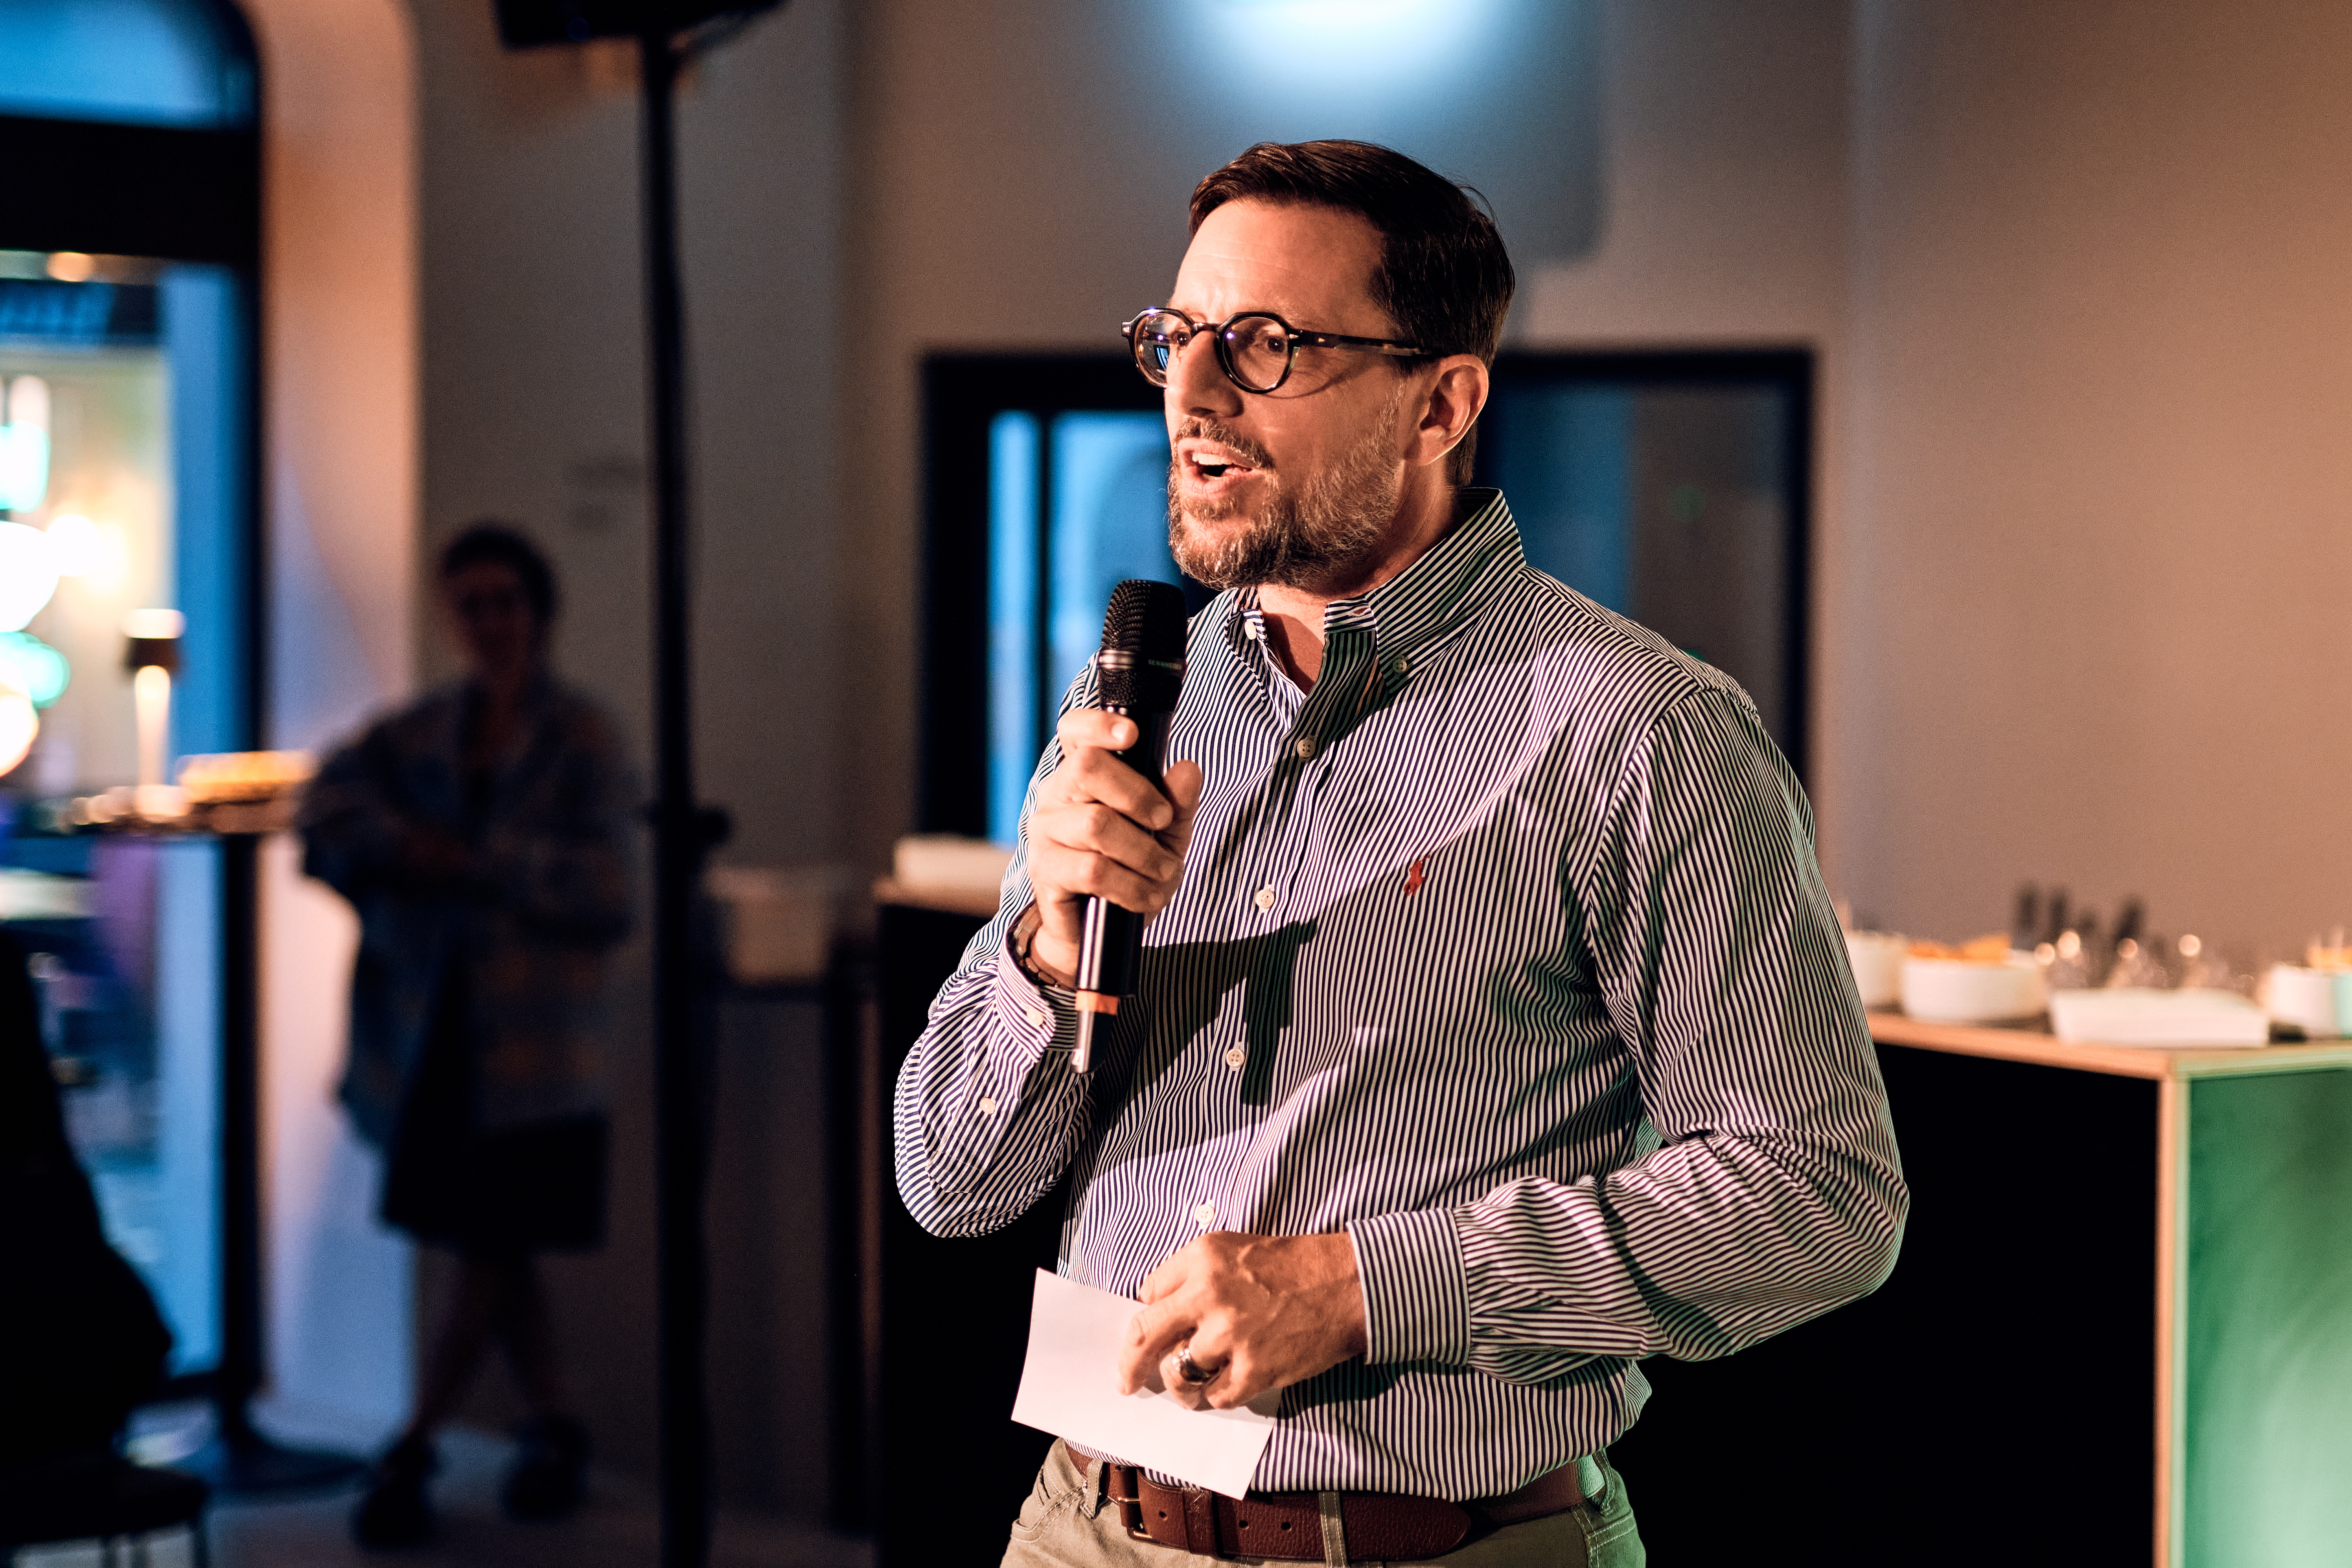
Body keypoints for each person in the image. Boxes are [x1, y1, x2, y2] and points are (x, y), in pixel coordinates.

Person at [894, 141, 1908, 1567]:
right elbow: (948, 1177)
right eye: (1177, 339)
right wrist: (1046, 953)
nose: (1192, 392)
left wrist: (1369, 1286)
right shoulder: (1138, 699)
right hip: (1089, 1523)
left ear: (1442, 402)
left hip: (1438, 1543)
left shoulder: (1638, 729)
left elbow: (1824, 1195)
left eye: (1265, 346)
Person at [301, 525, 636, 1548]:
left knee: (492, 1245)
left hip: (540, 1057)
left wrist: (483, 864)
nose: (489, 622)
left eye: (505, 601)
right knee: (496, 1245)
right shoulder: (420, 732)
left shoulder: (583, 735)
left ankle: (412, 1440)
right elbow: (325, 813)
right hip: (437, 1036)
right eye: (471, 602)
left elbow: (608, 890)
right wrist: (406, 850)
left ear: (538, 611)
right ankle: (554, 1425)